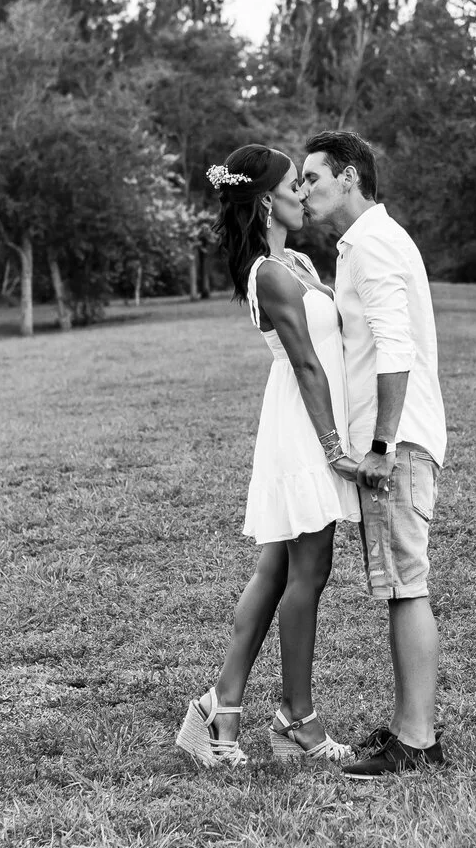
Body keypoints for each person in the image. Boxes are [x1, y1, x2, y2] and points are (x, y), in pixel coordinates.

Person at [174, 145, 366, 769]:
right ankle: (296, 721)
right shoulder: (269, 272)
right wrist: (335, 447)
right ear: (265, 202)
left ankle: (219, 708)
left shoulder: (301, 261)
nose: (304, 192)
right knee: (307, 573)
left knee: (277, 570)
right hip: (303, 427)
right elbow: (307, 361)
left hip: (311, 418)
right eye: (293, 184)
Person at [297, 129, 450, 779]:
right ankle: (410, 731)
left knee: (407, 588)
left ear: (351, 177)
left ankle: (417, 743)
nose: (302, 190)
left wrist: (382, 447)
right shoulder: (363, 246)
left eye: (312, 177)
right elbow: (369, 332)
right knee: (398, 589)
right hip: (398, 443)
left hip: (400, 446)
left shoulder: (373, 245)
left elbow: (396, 350)